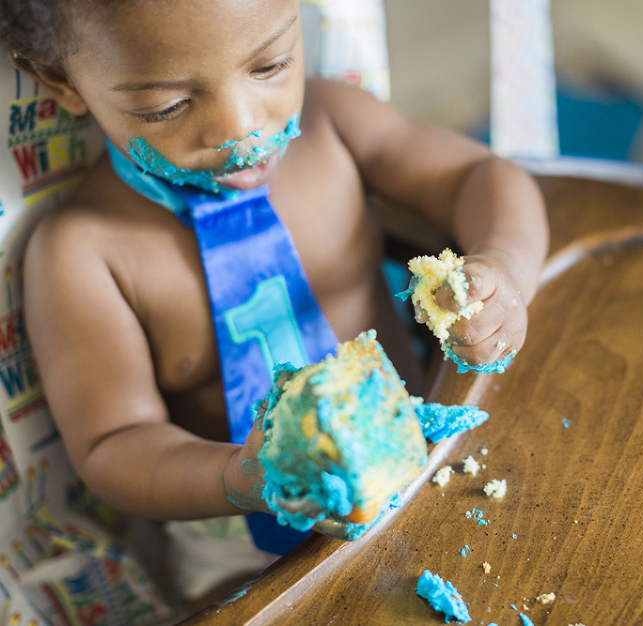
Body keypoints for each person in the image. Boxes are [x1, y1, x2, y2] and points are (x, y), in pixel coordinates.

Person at [1, 0, 547, 596]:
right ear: (62, 82)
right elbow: (113, 444)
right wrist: (241, 477)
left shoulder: (335, 122)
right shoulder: (83, 253)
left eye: (270, 66)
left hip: (439, 456)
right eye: (168, 106)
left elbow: (479, 178)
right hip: (242, 550)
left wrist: (505, 268)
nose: (241, 129)